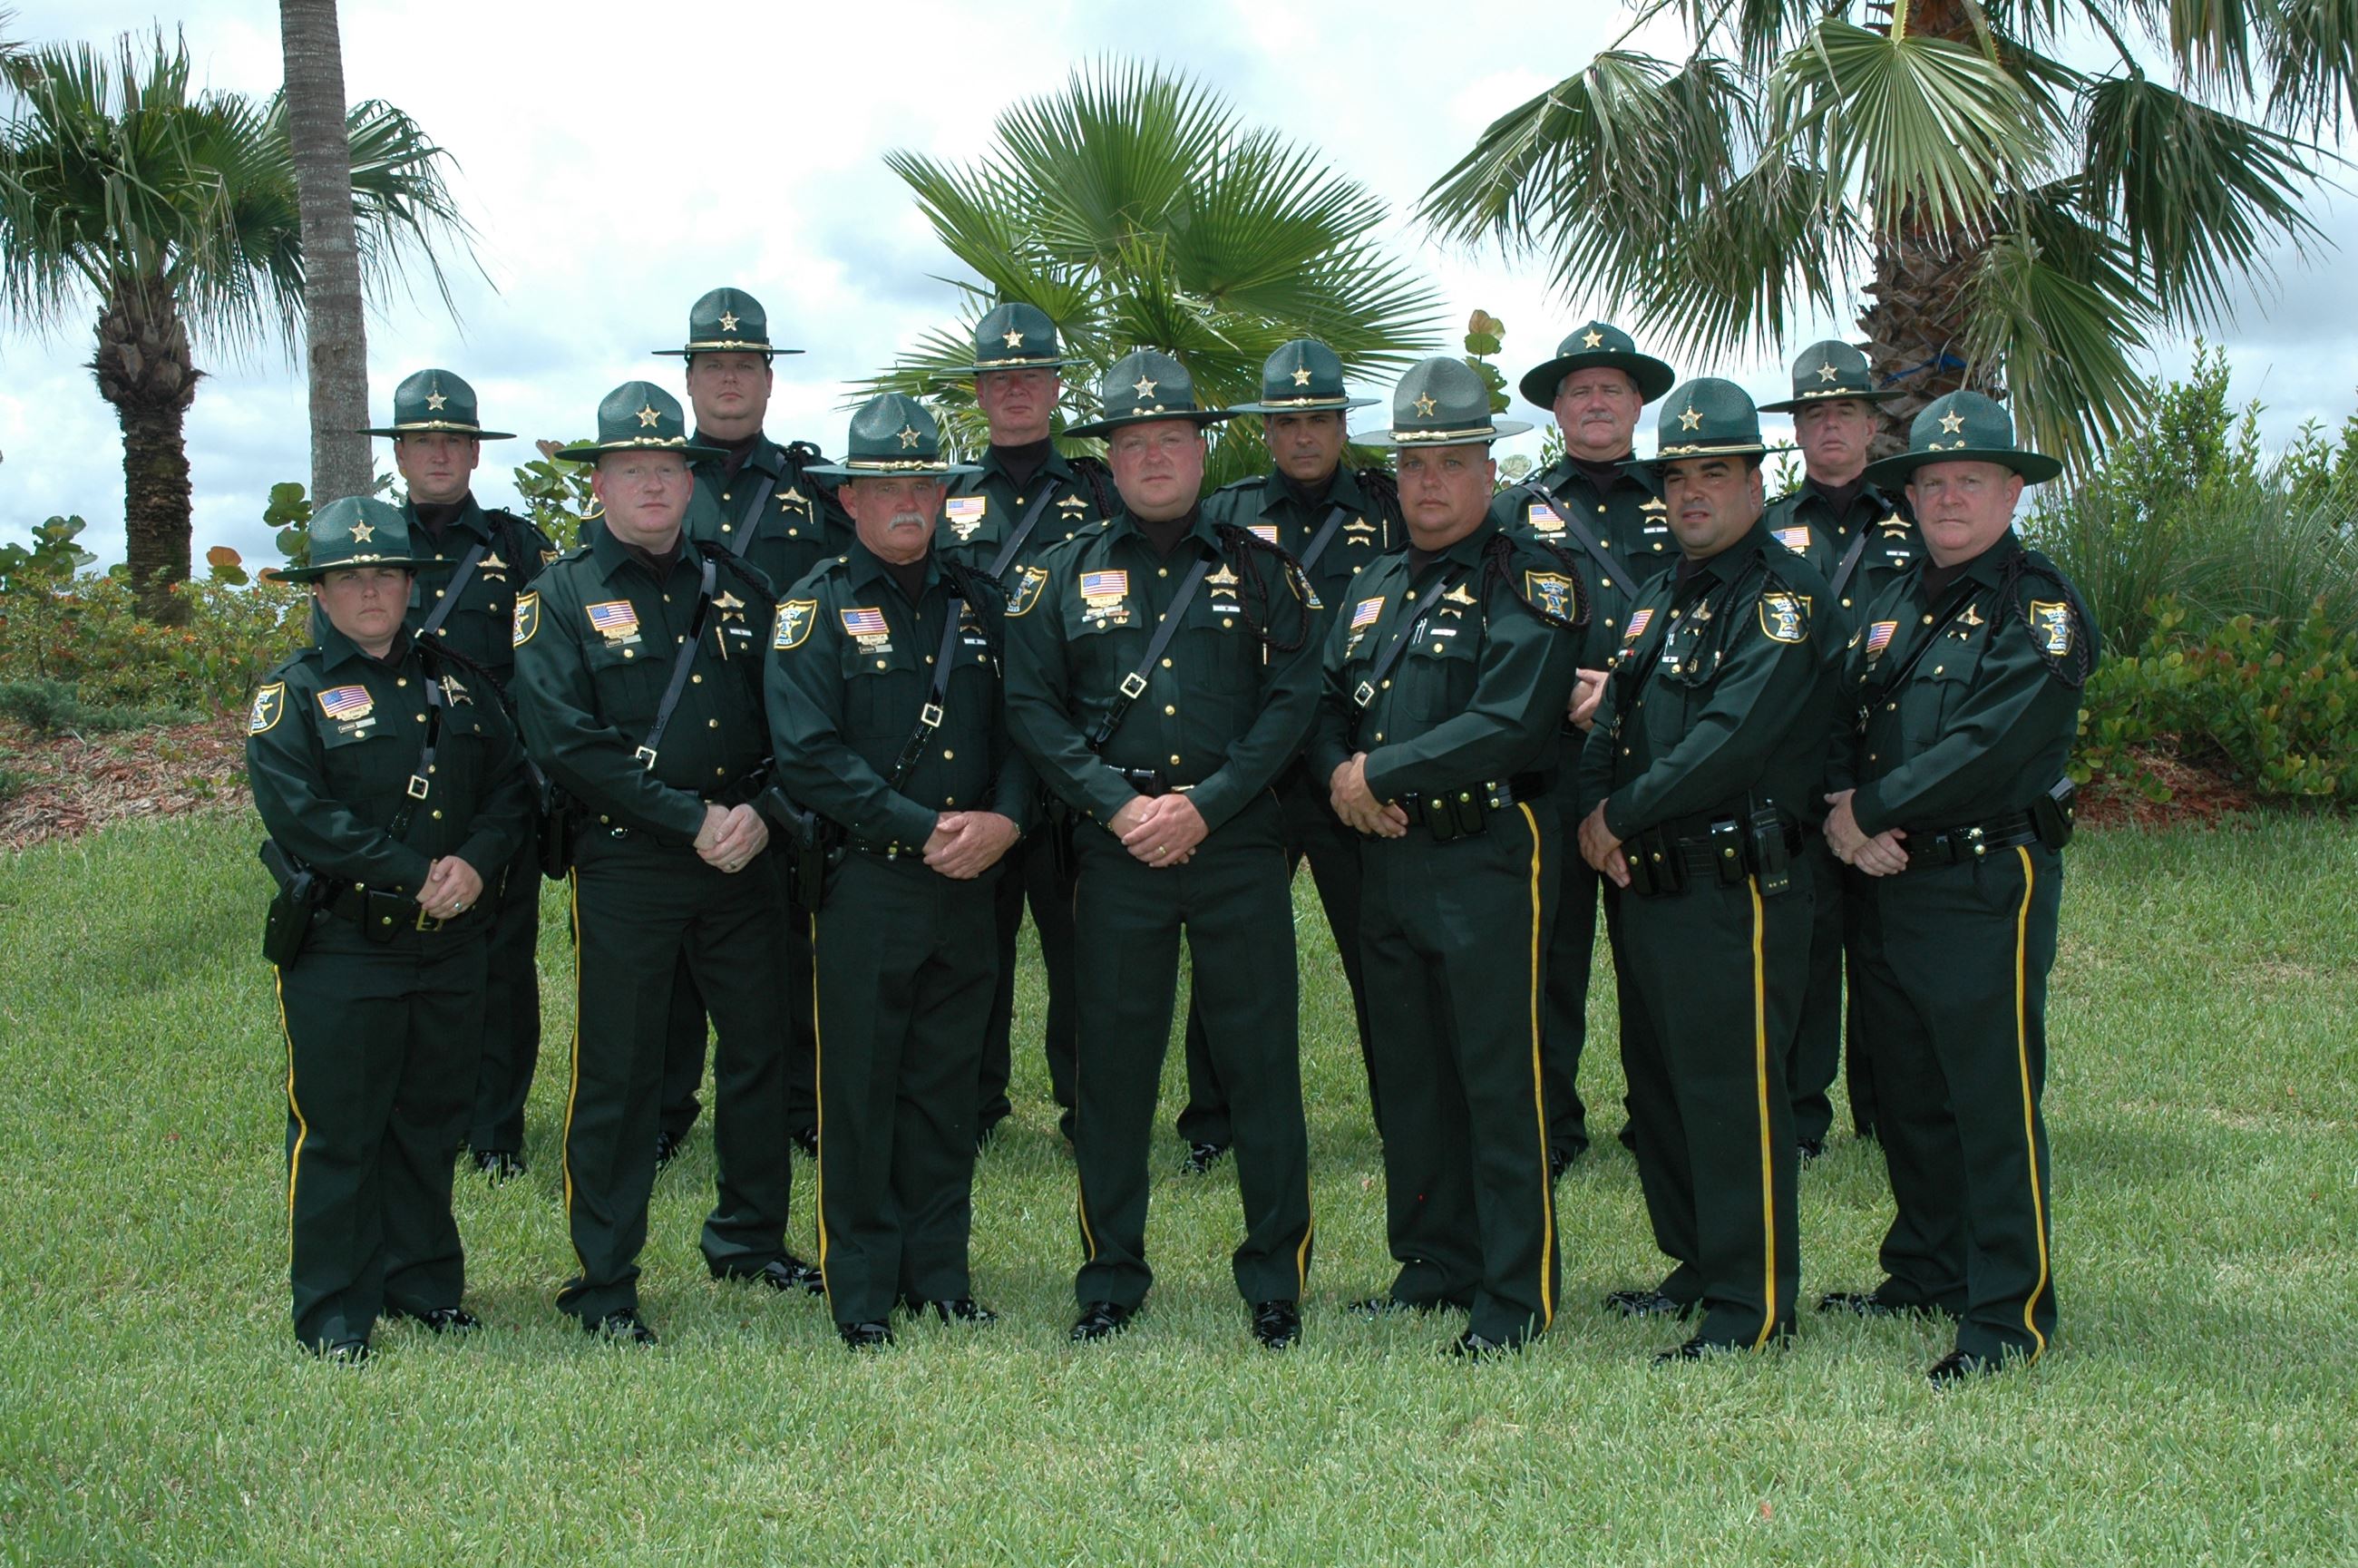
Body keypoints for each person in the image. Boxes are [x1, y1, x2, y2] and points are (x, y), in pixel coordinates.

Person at [1002, 350, 1320, 1349]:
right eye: (1131, 442)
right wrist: (1114, 806)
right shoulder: (1057, 575)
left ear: (1199, 447)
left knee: (1259, 1064)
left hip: (1235, 848)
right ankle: (1108, 1277)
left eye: (1169, 439)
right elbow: (1029, 706)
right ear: (1110, 457)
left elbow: (1293, 701)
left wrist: (1211, 804)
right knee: (1114, 1070)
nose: (1152, 457)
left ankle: (1275, 1278)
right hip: (1115, 852)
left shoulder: (1264, 571)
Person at [512, 381, 812, 1345]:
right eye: (629, 468)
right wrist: (690, 819)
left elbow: (796, 720)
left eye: (666, 468)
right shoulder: (558, 597)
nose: (651, 484)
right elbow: (566, 743)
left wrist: (762, 815)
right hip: (631, 864)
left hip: (746, 862)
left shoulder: (737, 585)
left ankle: (748, 1237)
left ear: (689, 481)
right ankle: (604, 1279)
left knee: (763, 1054)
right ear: (597, 481)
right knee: (621, 1071)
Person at [1819, 390, 2093, 1387]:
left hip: (1984, 875)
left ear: (2011, 491)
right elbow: (1831, 711)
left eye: (1966, 480)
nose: (1944, 497)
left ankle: (2007, 1310)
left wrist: (1871, 807)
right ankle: (1927, 1267)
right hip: (1886, 879)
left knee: (1987, 1094)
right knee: (1904, 1090)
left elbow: (1992, 743)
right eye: (1928, 482)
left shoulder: (2040, 605)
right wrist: (1836, 812)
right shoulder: (1892, 598)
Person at [1312, 356, 1583, 1357]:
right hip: (1384, 860)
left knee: (1496, 1074)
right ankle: (1430, 1259)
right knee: (1411, 1073)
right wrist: (1346, 772)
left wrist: (1378, 771)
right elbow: (1323, 700)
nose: (1428, 480)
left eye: (1450, 461)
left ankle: (1513, 1291)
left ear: (1488, 469)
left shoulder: (1530, 576)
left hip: (1485, 857)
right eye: (1413, 460)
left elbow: (1511, 718)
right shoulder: (1376, 580)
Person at [1575, 378, 1842, 1362]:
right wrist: (1589, 812)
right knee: (1661, 1093)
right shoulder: (1657, 595)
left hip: (1741, 888)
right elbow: (1610, 721)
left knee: (1733, 1096)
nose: (1689, 493)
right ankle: (1693, 1263)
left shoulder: (1782, 597)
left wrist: (1616, 812)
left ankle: (1750, 1303)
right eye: (1675, 475)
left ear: (1753, 481)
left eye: (1712, 473)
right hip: (1647, 885)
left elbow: (1728, 742)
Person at [767, 394, 1028, 1349]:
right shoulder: (814, 609)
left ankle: (940, 1273)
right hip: (871, 879)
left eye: (924, 481)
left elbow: (1021, 730)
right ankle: (862, 1286)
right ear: (851, 499)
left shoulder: (981, 603)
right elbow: (807, 755)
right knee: (862, 1086)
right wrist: (923, 828)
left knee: (946, 1084)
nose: (908, 498)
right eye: (888, 483)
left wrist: (1003, 819)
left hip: (970, 881)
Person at [247, 497, 531, 1359]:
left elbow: (512, 786)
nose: (369, 590)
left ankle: (424, 1283)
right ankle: (334, 1310)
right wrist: (420, 875)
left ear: (411, 584)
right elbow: (303, 816)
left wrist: (475, 865)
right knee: (339, 1130)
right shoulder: (290, 697)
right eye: (348, 577)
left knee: (430, 1121)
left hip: (449, 943)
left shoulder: (459, 681)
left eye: (385, 574)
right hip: (345, 946)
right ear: (322, 593)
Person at [1170, 337, 1398, 1166]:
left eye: (1319, 418)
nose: (1303, 434)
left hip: (1347, 769)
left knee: (1377, 949)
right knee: (1230, 954)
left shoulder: (1389, 510)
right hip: (1251, 774)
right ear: (1267, 430)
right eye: (1287, 420)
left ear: (1343, 424)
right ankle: (1213, 1121)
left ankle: (1398, 1106)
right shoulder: (1225, 513)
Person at [648, 286, 848, 1164]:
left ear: (769, 379)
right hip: (674, 755)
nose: (729, 379)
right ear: (689, 378)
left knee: (793, 940)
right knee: (666, 961)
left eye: (745, 365)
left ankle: (800, 1107)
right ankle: (658, 1112)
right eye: (712, 365)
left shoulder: (815, 492)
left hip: (787, 757)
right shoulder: (652, 480)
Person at [362, 368, 555, 1184]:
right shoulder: (365, 546)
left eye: (453, 440)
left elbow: (547, 669)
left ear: (475, 452)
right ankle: (405, 1110)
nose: (438, 454)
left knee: (502, 962)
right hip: (392, 785)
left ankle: (495, 1127)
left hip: (491, 783)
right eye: (421, 441)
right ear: (400, 453)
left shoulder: (515, 546)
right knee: (394, 957)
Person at [1495, 320, 1677, 1175]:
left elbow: (1709, 607)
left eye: (1612, 387)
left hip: (1657, 758)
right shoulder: (1514, 509)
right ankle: (1552, 1120)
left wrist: (1628, 693)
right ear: (1555, 408)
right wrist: (1559, 691)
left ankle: (1662, 1118)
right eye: (1579, 389)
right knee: (1548, 951)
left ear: (1639, 401)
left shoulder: (1682, 493)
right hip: (1552, 758)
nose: (1596, 401)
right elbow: (1493, 627)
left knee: (1658, 950)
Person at [932, 302, 1116, 1147]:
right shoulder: (943, 496)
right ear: (977, 392)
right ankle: (972, 1102)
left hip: (1076, 745)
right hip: (972, 748)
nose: (1015, 390)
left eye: (1030, 375)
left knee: (1081, 936)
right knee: (976, 939)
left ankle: (1089, 1102)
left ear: (1054, 387)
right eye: (999, 377)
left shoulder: (1099, 492)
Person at [1758, 340, 1920, 1155]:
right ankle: (1803, 1112)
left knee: (1891, 947)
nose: (1829, 426)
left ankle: (1889, 1109)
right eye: (1813, 413)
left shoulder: (1911, 524)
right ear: (1796, 430)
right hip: (1801, 763)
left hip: (1891, 759)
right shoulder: (1768, 528)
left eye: (1844, 412)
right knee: (1810, 946)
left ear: (1871, 425)